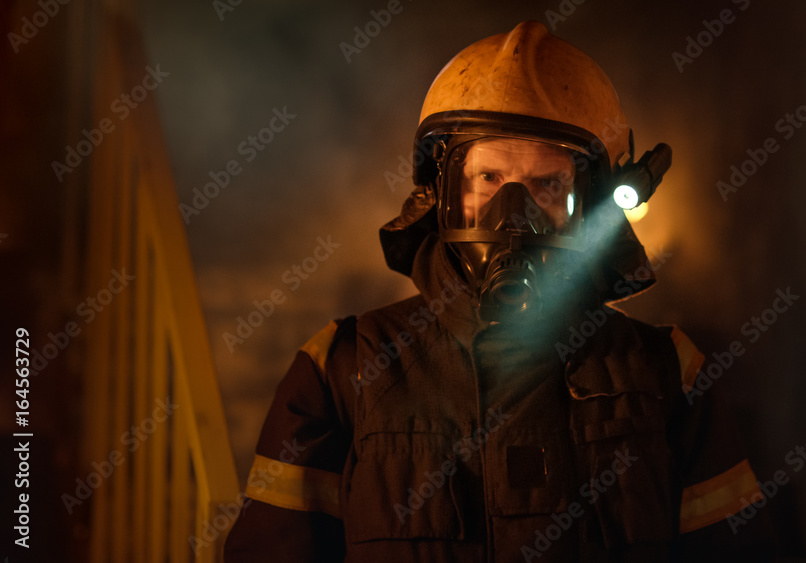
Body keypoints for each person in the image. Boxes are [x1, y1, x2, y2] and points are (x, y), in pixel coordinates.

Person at [224, 20, 774, 562]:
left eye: (547, 184)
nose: (514, 215)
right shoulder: (341, 373)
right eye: (487, 179)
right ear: (441, 194)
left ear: (594, 205)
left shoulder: (668, 376)